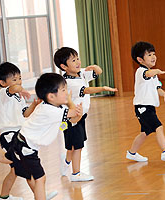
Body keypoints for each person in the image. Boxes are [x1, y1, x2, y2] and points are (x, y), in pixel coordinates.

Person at [4, 73, 82, 200]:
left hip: (23, 143)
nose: (67, 93)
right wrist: (71, 102)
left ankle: (40, 196)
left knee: (9, 161)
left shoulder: (54, 108)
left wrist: (77, 113)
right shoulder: (51, 111)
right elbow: (72, 113)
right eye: (63, 90)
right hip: (26, 146)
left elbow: (71, 121)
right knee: (40, 178)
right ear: (51, 96)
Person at [54, 47, 117, 182]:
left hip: (81, 116)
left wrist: (94, 67)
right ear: (64, 66)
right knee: (77, 146)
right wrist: (103, 88)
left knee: (73, 145)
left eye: (77, 58)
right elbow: (86, 90)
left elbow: (98, 72)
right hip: (72, 118)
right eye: (73, 60)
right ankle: (76, 173)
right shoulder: (68, 82)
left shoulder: (81, 73)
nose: (78, 62)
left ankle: (65, 163)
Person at [126, 41, 165, 162]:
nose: (153, 57)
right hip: (142, 107)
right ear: (140, 60)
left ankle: (132, 153)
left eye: (153, 54)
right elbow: (148, 73)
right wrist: (156, 71)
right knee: (158, 126)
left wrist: (164, 94)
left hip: (149, 107)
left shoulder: (153, 74)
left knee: (144, 133)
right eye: (149, 55)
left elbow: (158, 88)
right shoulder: (141, 71)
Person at [0, 62, 41, 200]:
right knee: (27, 166)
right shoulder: (3, 93)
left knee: (15, 170)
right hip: (9, 135)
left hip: (18, 134)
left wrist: (33, 104)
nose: (19, 82)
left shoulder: (18, 96)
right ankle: (40, 195)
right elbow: (13, 89)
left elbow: (25, 113)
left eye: (20, 78)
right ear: (3, 83)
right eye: (14, 79)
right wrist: (20, 88)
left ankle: (4, 197)